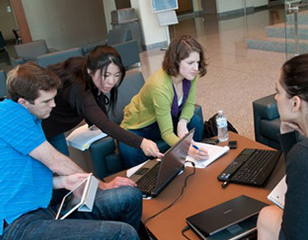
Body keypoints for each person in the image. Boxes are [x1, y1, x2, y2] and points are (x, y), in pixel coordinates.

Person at [0, 62, 142, 240]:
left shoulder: (30, 119)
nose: (53, 105)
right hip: (19, 226)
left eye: (53, 98)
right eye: (46, 101)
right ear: (23, 103)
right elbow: (56, 161)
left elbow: (19, 180)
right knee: (123, 233)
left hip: (44, 210)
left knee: (130, 196)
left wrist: (64, 181)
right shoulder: (7, 114)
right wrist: (103, 185)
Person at [41, 45, 161, 159]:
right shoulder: (79, 86)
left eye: (116, 75)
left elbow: (96, 106)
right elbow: (103, 123)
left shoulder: (88, 70)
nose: (111, 82)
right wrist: (141, 142)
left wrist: (91, 121)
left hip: (56, 126)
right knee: (59, 167)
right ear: (90, 71)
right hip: (43, 126)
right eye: (106, 75)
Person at [119, 35, 209, 168]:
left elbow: (189, 104)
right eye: (190, 63)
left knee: (194, 121)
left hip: (162, 117)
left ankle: (196, 165)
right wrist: (188, 149)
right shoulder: (160, 86)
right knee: (129, 151)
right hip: (140, 125)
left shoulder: (190, 75)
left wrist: (182, 123)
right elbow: (166, 133)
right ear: (176, 61)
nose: (196, 68)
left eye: (197, 62)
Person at [257, 53, 308, 240]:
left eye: (278, 91)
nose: (275, 98)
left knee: (267, 216)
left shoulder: (306, 154)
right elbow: (303, 178)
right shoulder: (307, 152)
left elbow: (297, 235)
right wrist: (287, 135)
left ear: (295, 103)